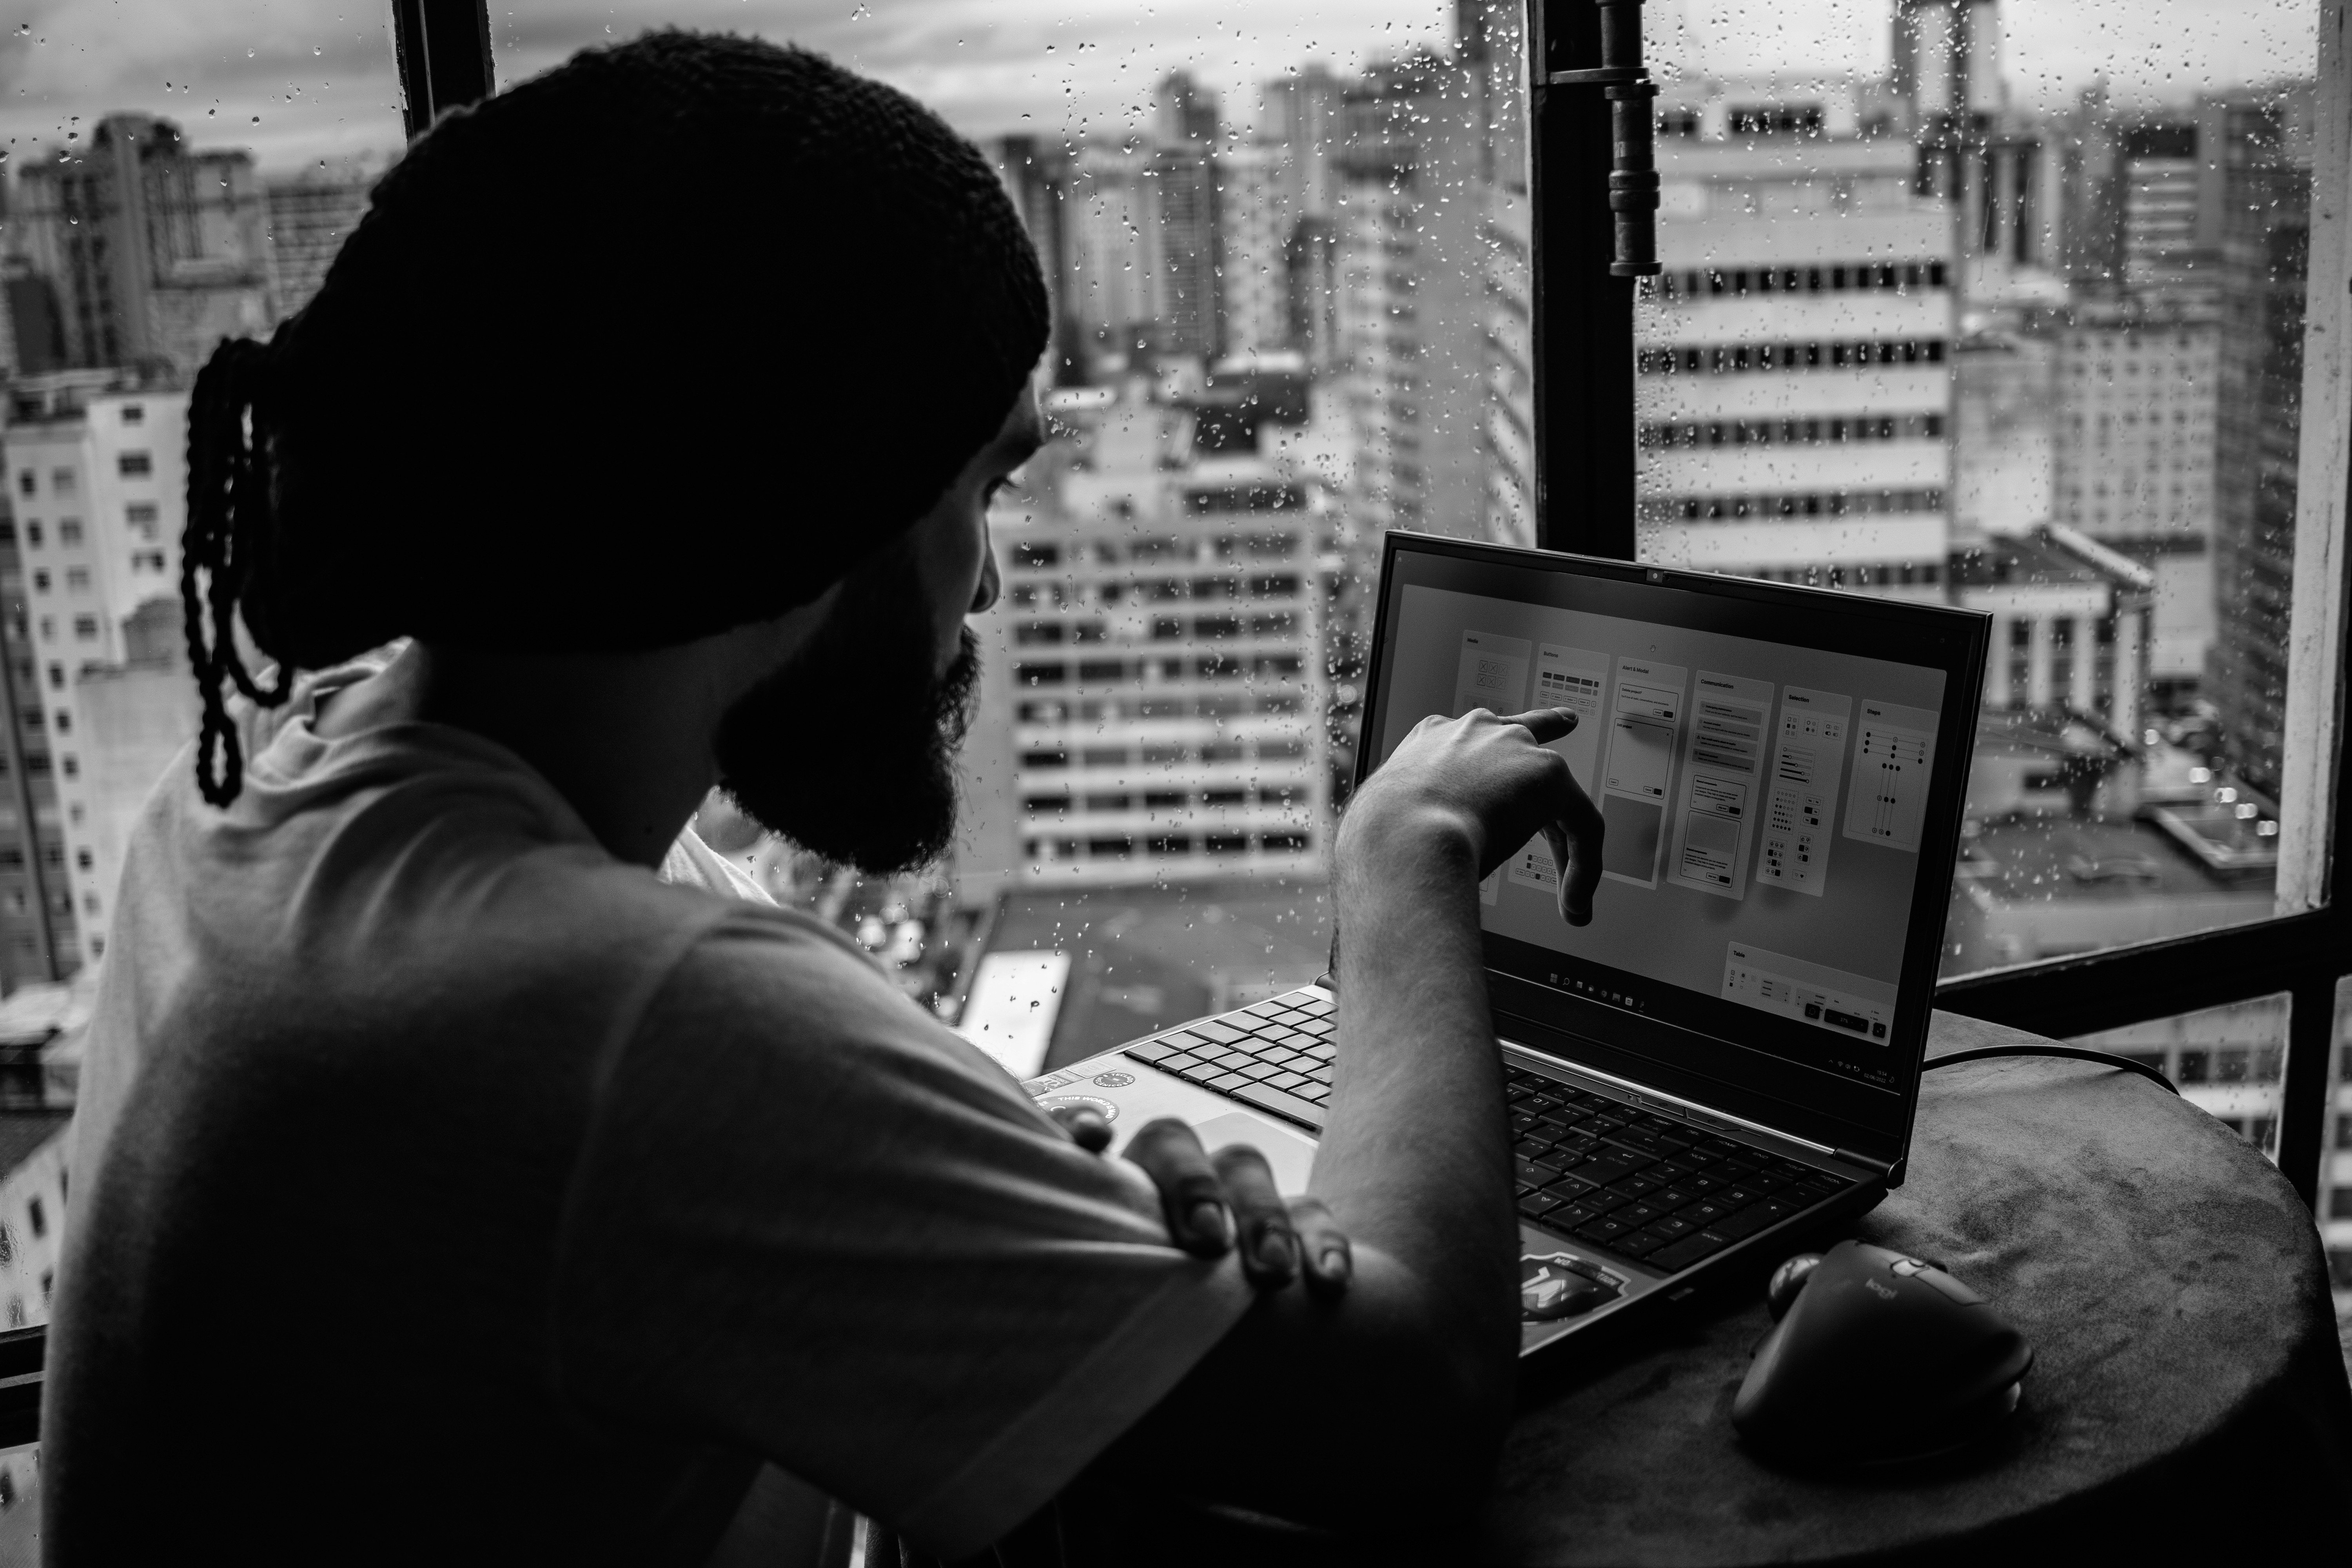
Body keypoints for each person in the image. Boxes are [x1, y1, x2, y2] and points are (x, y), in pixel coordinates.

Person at [42, 31, 1604, 1566]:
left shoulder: (250, 804)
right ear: (813, 499)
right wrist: (1405, 846)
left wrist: (979, 1208)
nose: (986, 585)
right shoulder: (617, 1024)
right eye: (983, 489)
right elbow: (1419, 1401)